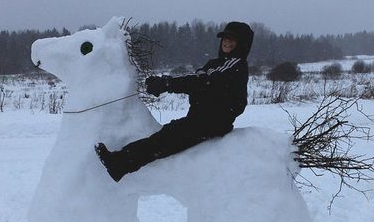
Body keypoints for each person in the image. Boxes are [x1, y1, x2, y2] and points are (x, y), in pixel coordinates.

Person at [95, 21, 254, 182]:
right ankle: (120, 163)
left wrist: (166, 84)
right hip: (199, 119)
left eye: (232, 39)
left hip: (214, 122)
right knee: (167, 135)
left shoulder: (237, 64)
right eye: (225, 38)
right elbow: (196, 81)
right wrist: (163, 82)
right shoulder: (214, 63)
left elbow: (203, 81)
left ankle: (119, 164)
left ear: (242, 43)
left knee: (167, 140)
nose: (227, 42)